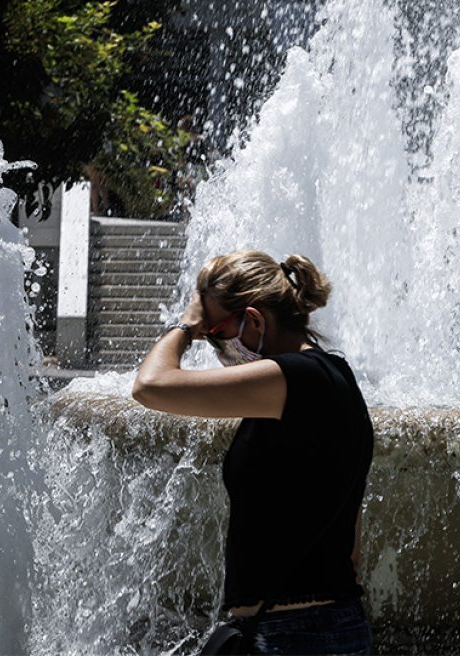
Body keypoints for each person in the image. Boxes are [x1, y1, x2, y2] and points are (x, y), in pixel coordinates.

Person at [132, 250, 374, 655]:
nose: (214, 346)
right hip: (315, 627)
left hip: (294, 635)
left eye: (217, 332)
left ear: (256, 320)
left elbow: (150, 385)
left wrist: (186, 328)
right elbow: (352, 537)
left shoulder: (294, 378)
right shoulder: (332, 381)